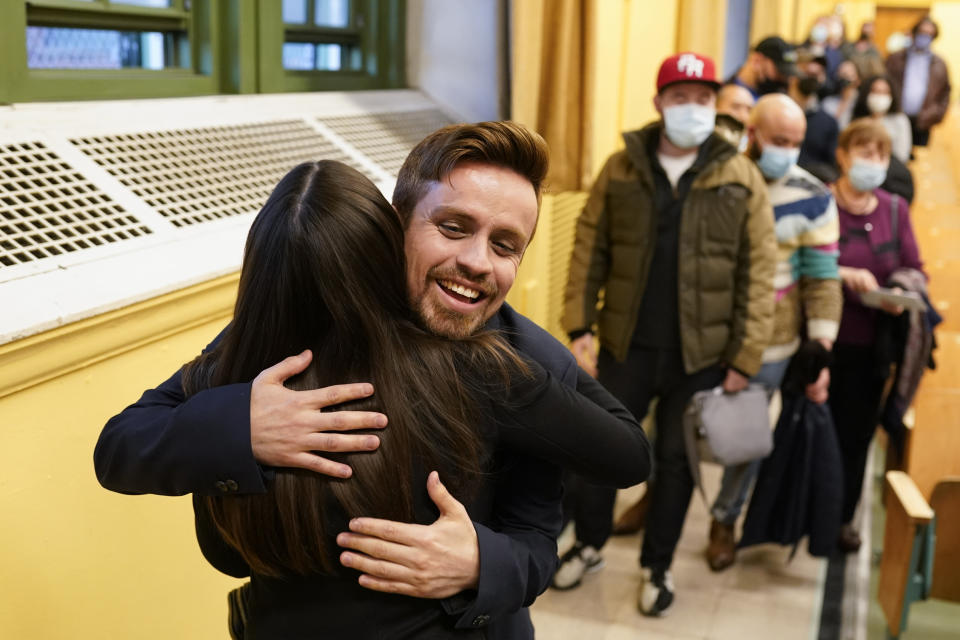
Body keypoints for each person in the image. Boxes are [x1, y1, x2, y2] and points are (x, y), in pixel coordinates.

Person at [95, 121, 652, 638]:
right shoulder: (306, 322)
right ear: (395, 224)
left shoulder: (514, 362)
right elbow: (123, 444)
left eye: (505, 245)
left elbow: (560, 509)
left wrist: (482, 561)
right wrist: (241, 425)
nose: (478, 262)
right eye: (453, 227)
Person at [559, 51, 776, 615]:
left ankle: (658, 567)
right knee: (600, 448)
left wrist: (745, 355)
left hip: (702, 354)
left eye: (703, 98)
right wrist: (579, 326)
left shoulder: (740, 173)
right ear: (659, 103)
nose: (693, 108)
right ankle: (587, 544)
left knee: (678, 463)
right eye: (681, 97)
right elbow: (589, 247)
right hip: (625, 342)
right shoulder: (621, 166)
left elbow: (760, 272)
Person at [706, 94, 841, 571]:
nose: (787, 149)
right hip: (705, 328)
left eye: (796, 142)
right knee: (676, 423)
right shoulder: (717, 178)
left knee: (746, 433)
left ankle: (725, 518)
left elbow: (823, 277)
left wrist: (820, 346)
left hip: (772, 340)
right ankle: (657, 495)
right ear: (753, 134)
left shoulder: (814, 195)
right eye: (778, 140)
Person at [829, 118, 925, 552]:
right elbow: (794, 262)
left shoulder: (893, 209)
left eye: (882, 155)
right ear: (844, 155)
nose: (874, 162)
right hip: (823, 339)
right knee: (815, 433)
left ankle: (841, 520)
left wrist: (900, 290)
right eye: (865, 152)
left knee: (856, 438)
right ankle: (806, 514)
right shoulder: (821, 202)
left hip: (871, 346)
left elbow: (914, 269)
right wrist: (842, 273)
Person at [886, 16, 951, 147]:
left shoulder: (939, 64)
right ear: (914, 33)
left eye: (929, 34)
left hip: (922, 121)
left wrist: (935, 114)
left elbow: (945, 92)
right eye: (922, 33)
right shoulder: (896, 58)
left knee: (918, 159)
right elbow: (884, 81)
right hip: (896, 116)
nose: (924, 37)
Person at [852, 75, 913, 163]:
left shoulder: (900, 120)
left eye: (884, 92)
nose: (879, 96)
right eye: (875, 91)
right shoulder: (857, 119)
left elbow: (902, 156)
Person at [728, 36, 799, 98]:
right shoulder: (723, 95)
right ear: (757, 61)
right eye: (778, 71)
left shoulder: (777, 98)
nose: (783, 79)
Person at [714, 83, 757, 150]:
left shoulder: (750, 147)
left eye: (749, 110)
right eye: (736, 107)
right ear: (716, 106)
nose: (744, 116)